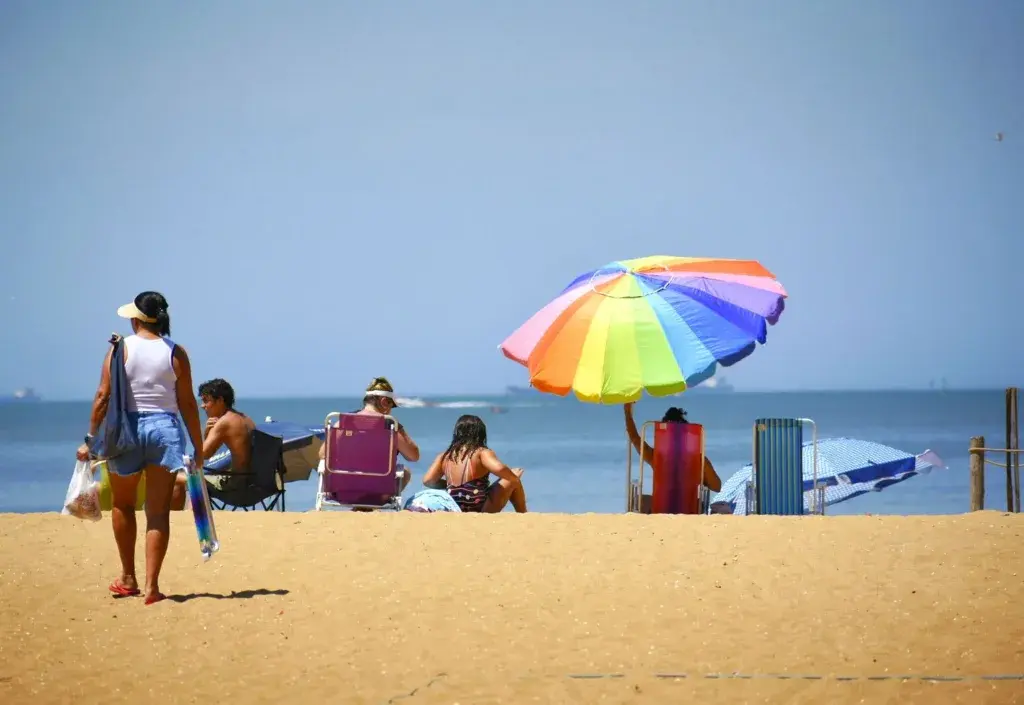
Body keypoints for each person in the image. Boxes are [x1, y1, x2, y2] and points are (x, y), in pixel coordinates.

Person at [76, 292, 204, 605]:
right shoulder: (176, 352)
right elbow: (188, 403)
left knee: (123, 504)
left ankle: (128, 577)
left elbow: (103, 396)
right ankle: (152, 587)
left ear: (136, 319)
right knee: (158, 512)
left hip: (126, 430)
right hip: (165, 430)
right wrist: (198, 445)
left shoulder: (119, 349)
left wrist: (90, 439)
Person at [318, 377, 420, 492]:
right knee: (405, 472)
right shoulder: (390, 425)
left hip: (343, 491)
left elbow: (322, 454)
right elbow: (414, 456)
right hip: (379, 493)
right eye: (391, 406)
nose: (391, 410)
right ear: (384, 402)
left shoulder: (344, 422)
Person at [624, 402, 722, 512]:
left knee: (640, 499)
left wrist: (627, 412)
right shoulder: (698, 460)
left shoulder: (657, 457)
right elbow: (717, 487)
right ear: (686, 435)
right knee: (700, 502)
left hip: (660, 510)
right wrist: (701, 476)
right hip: (689, 511)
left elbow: (635, 438)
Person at [422, 414, 528, 513]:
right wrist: (514, 478)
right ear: (481, 434)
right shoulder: (481, 452)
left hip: (455, 506)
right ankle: (523, 514)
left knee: (511, 477)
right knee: (513, 477)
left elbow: (428, 481)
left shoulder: (445, 456)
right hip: (480, 506)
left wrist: (450, 485)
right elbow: (499, 469)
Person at [198, 378, 256, 492]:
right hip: (254, 482)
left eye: (206, 401)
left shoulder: (224, 422)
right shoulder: (246, 419)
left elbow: (203, 455)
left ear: (220, 400)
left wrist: (206, 431)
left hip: (236, 485)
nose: (202, 406)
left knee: (179, 478)